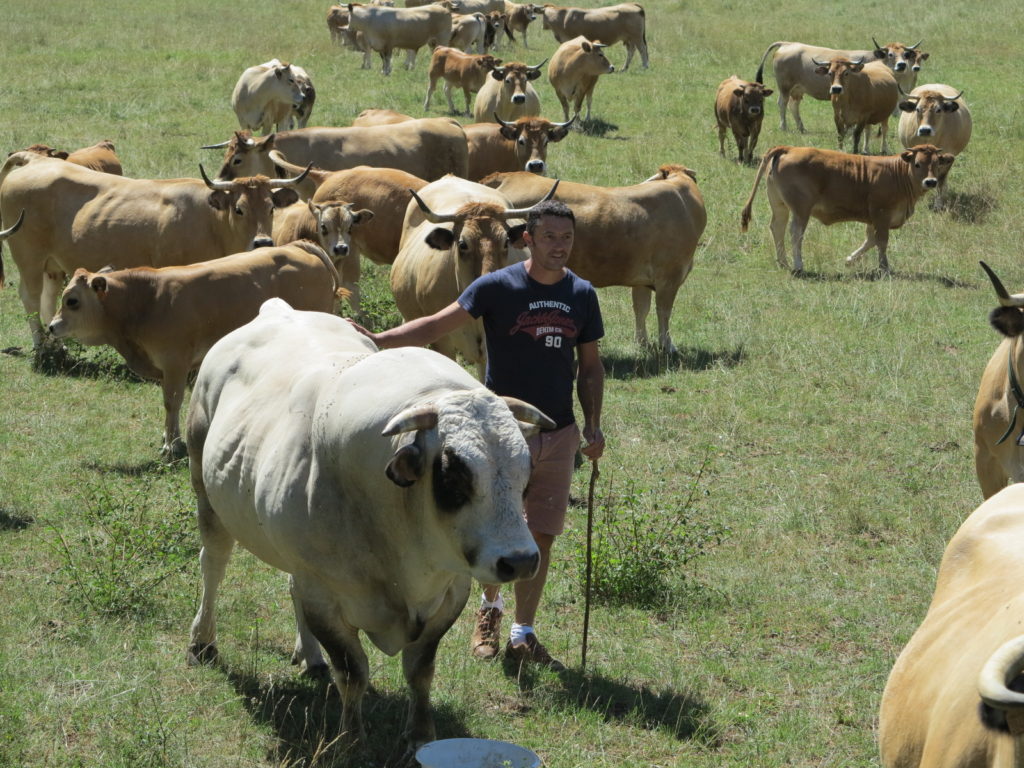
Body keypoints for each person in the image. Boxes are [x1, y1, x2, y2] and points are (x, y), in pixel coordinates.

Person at [351, 199, 605, 670]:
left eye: (567, 237)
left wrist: (593, 424)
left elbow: (590, 367)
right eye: (549, 236)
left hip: (559, 430)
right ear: (527, 239)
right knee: (497, 525)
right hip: (500, 432)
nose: (559, 246)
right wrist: (379, 340)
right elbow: (437, 324)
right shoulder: (497, 286)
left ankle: (523, 632)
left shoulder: (582, 294)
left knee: (541, 535)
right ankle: (489, 610)